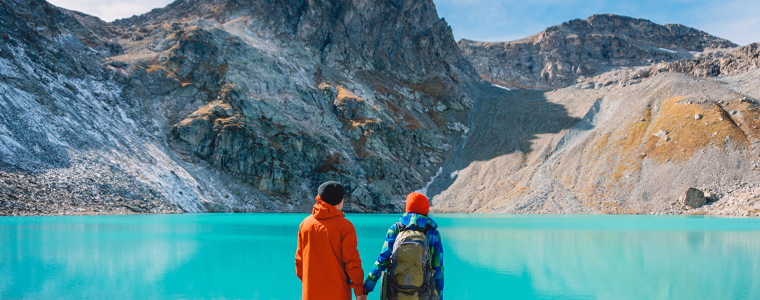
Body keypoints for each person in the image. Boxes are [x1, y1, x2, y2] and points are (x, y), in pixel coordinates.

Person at [363, 192, 444, 300]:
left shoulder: (396, 229)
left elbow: (382, 260)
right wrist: (439, 296)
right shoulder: (433, 233)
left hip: (395, 292)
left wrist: (367, 288)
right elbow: (438, 269)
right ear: (426, 210)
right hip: (423, 293)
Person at [295, 181, 367, 300]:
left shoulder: (305, 224)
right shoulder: (345, 227)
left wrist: (310, 284)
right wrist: (359, 293)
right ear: (341, 200)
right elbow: (352, 262)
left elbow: (299, 262)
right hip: (338, 294)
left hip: (311, 294)